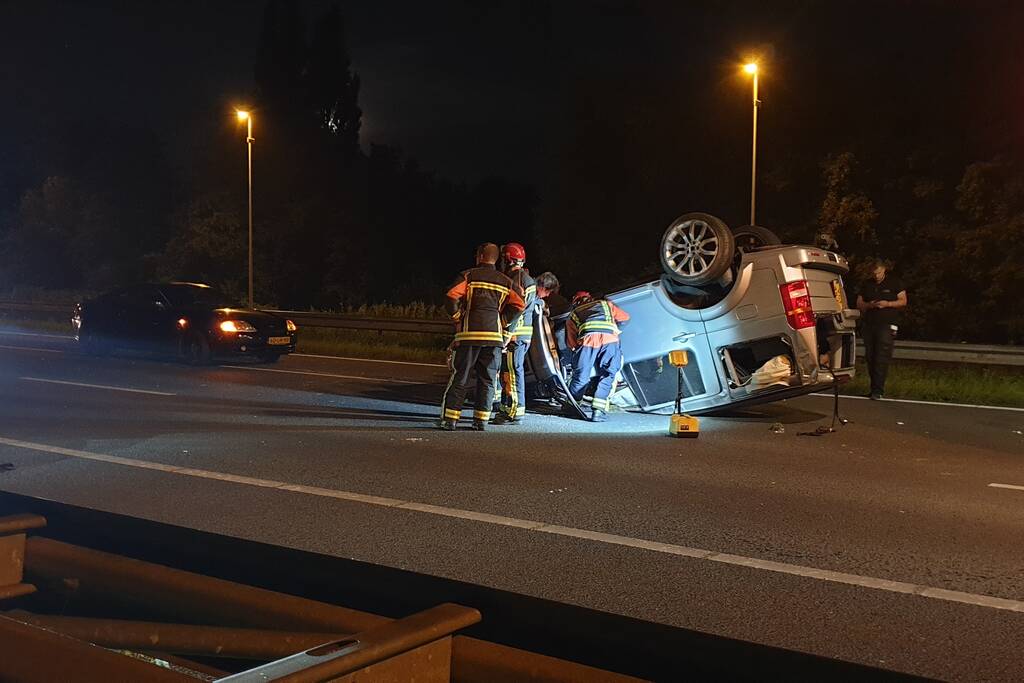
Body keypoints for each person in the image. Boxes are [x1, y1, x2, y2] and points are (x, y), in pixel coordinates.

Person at [439, 243, 525, 431]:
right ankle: (481, 421)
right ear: (497, 259)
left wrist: (457, 317)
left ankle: (450, 420)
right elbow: (520, 305)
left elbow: (451, 296)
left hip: (469, 335)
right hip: (494, 338)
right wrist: (503, 321)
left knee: (461, 377)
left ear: (479, 256)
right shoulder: (505, 281)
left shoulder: (468, 276)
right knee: (487, 379)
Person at [565, 291, 630, 422]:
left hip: (587, 341)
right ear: (590, 298)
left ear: (575, 302)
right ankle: (598, 412)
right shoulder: (606, 304)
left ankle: (572, 408)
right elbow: (625, 318)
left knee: (581, 376)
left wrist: (579, 355)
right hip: (609, 340)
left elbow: (571, 343)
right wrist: (614, 327)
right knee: (608, 374)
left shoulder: (574, 314)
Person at [492, 243, 536, 425]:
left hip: (514, 335)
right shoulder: (525, 278)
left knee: (511, 372)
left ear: (507, 259)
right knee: (508, 372)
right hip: (521, 335)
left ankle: (514, 412)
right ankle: (506, 407)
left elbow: (516, 309)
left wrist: (506, 335)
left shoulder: (515, 280)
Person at [856, 259, 908, 400]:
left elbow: (903, 301)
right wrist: (870, 305)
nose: (876, 276)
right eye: (874, 273)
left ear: (884, 270)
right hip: (870, 324)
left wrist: (888, 304)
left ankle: (878, 390)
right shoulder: (867, 284)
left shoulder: (894, 282)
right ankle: (873, 388)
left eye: (878, 273)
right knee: (870, 357)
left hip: (887, 324)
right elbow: (859, 303)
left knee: (881, 356)